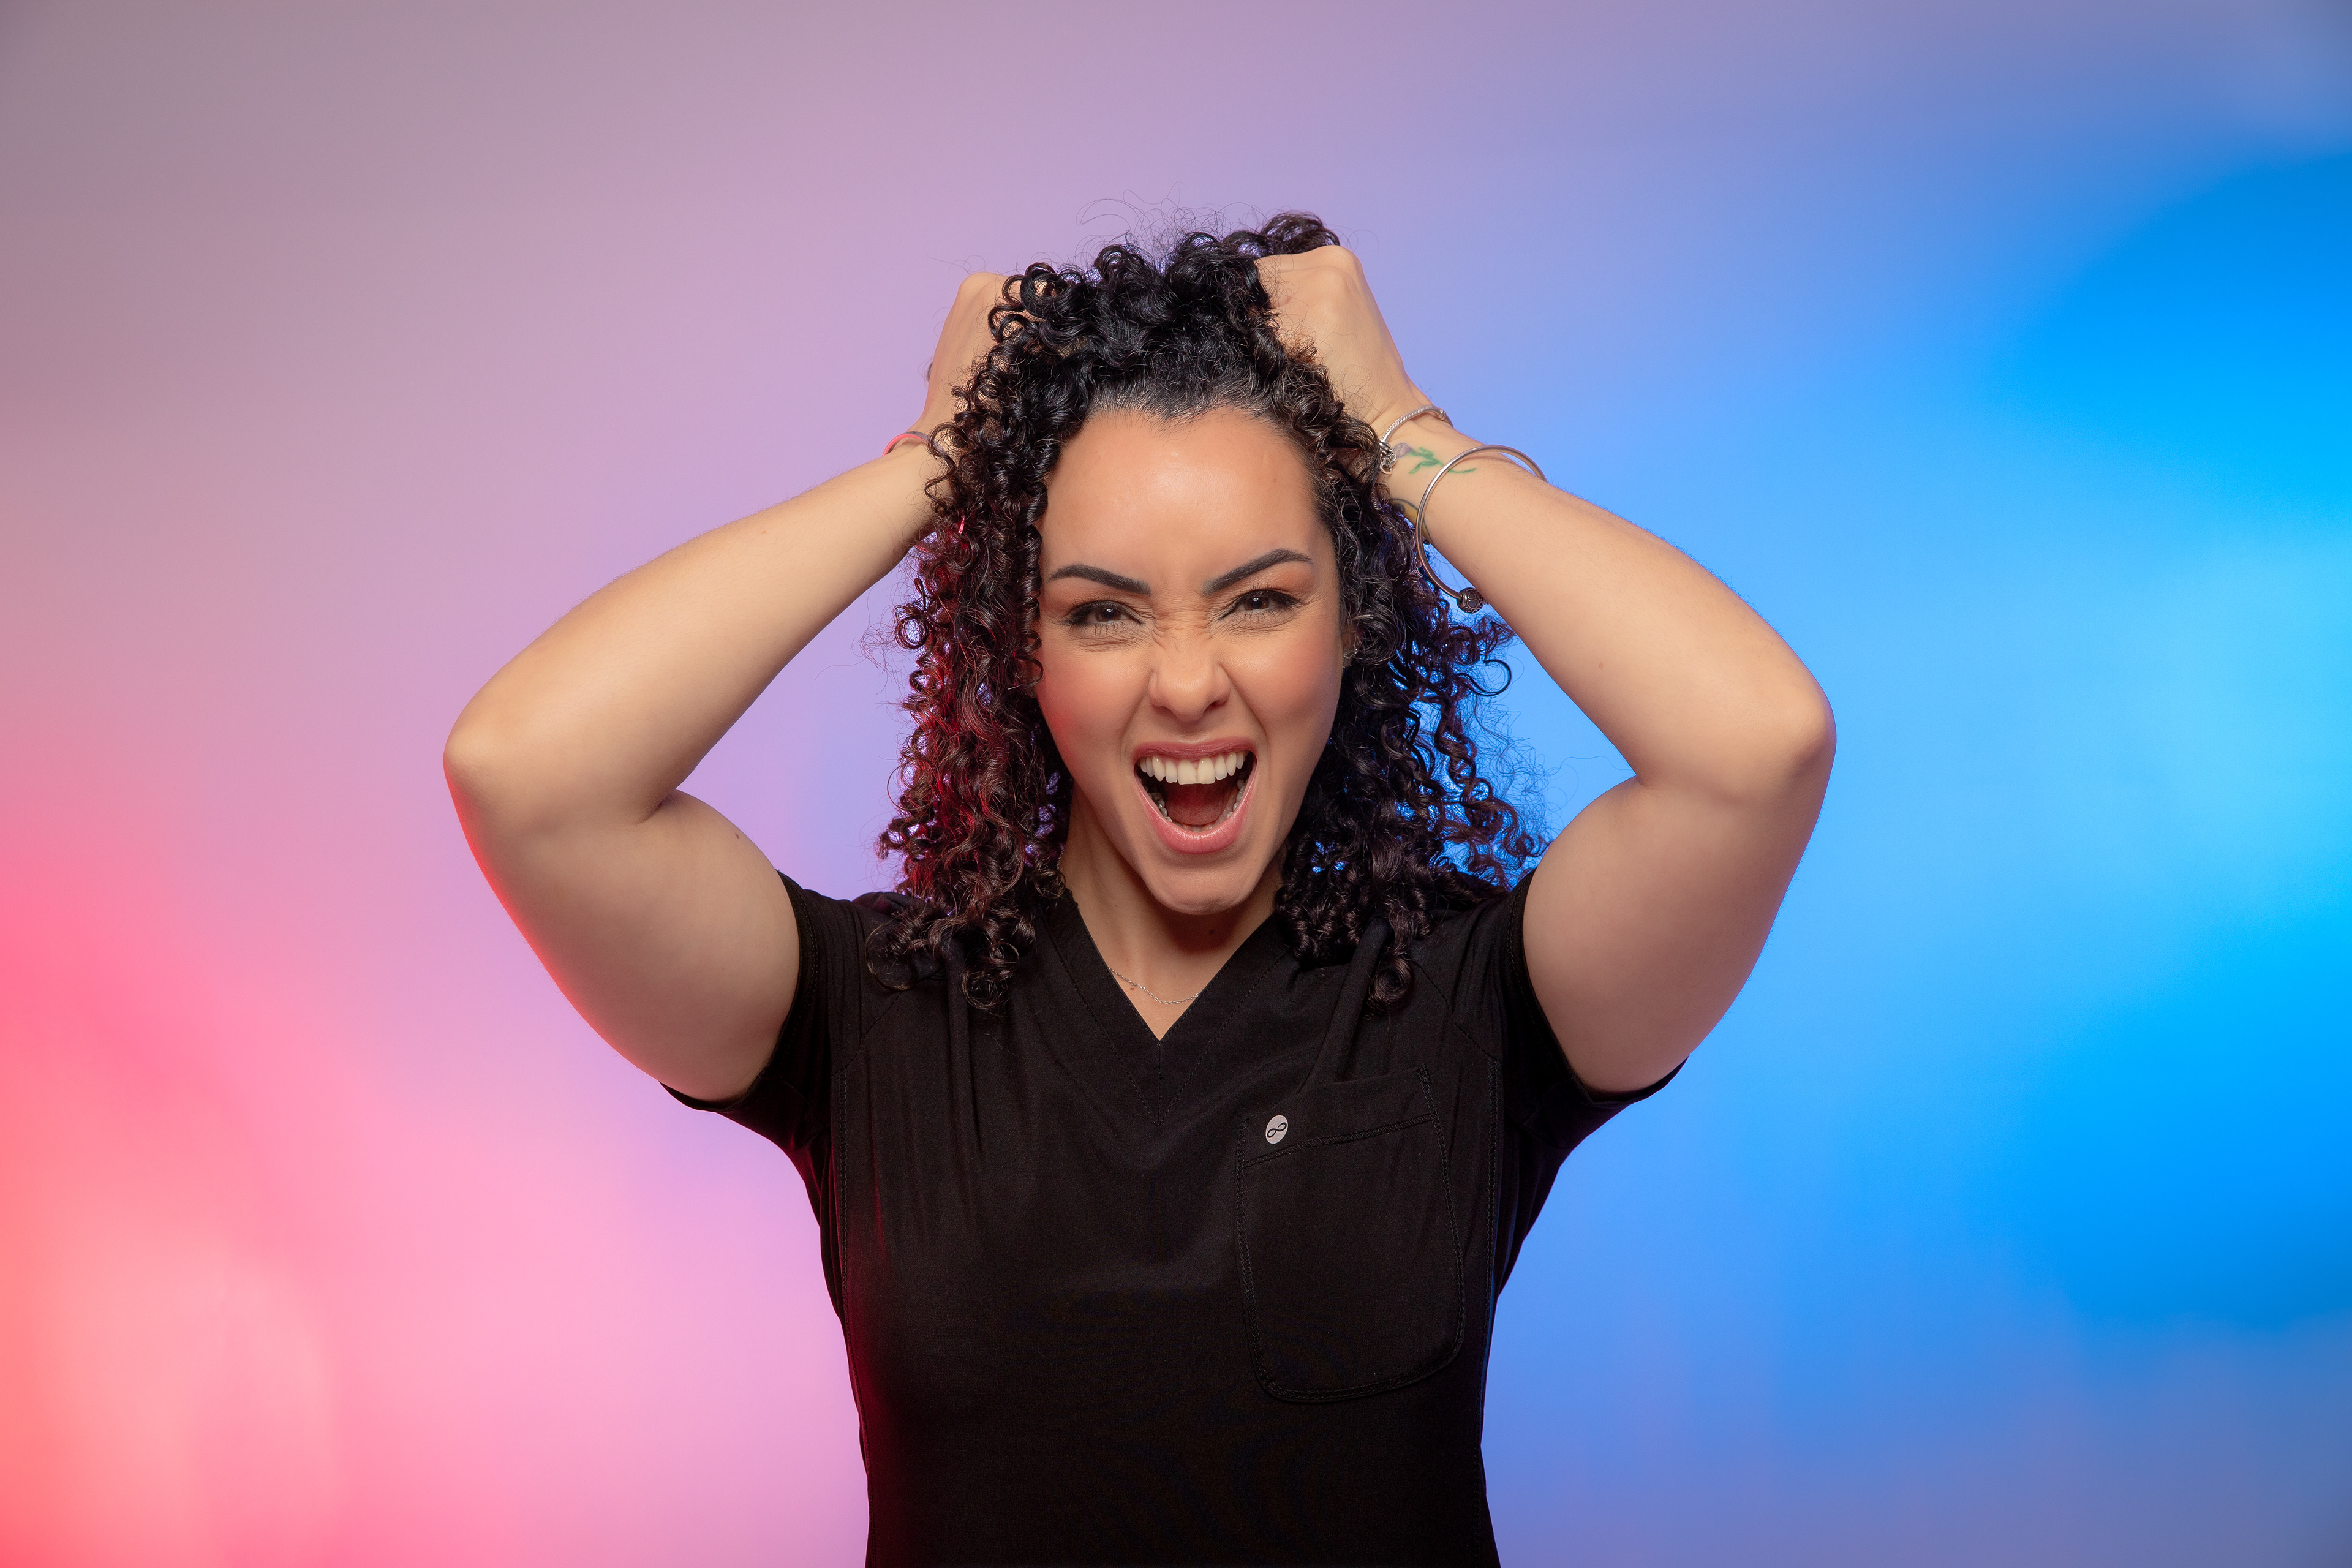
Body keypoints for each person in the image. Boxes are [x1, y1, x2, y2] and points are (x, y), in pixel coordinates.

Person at [444, 214, 1834, 1566]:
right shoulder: (873, 1010)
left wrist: (1403, 429)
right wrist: (938, 460)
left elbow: (1755, 748)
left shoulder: (1469, 995)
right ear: (1023, 647)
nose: (1185, 682)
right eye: (1102, 611)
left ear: (1352, 622)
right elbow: (530, 774)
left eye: (1261, 599)